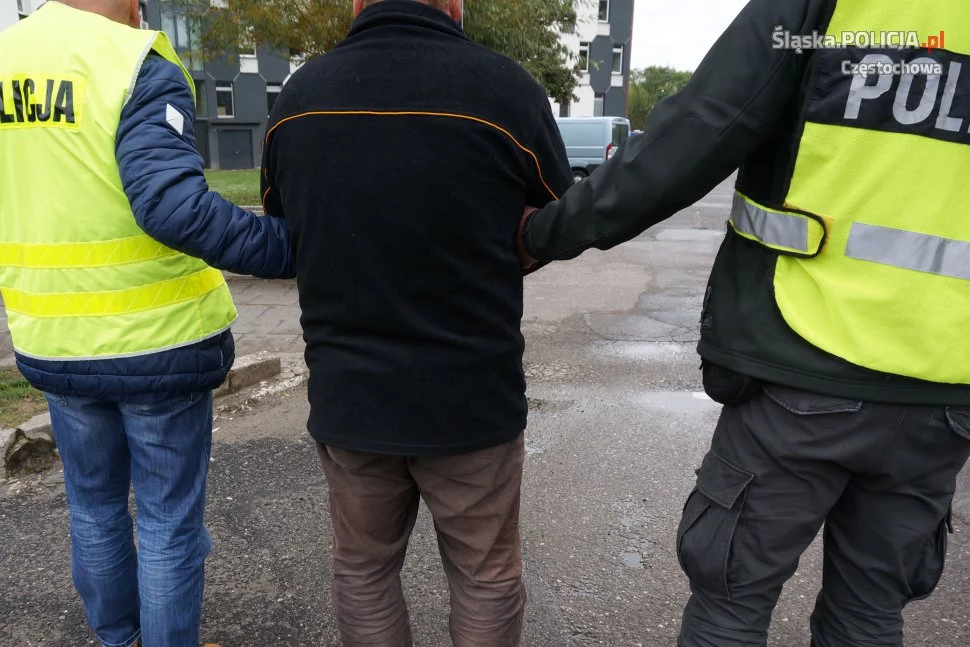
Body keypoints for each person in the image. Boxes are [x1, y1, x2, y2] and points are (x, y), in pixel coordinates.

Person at [516, 0, 970, 645]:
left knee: (732, 603)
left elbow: (700, 129)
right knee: (871, 613)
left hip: (807, 356)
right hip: (948, 387)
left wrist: (540, 235)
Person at [260, 0, 572, 643]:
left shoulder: (299, 98)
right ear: (453, 3)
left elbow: (284, 227)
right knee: (484, 573)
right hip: (471, 398)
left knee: (363, 570)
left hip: (352, 399)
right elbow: (555, 223)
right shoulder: (504, 89)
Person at [0, 1, 294, 646]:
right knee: (166, 521)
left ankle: (118, 640)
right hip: (157, 339)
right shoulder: (131, 59)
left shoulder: (6, 56)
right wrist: (286, 248)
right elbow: (170, 205)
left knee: (95, 508)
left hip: (51, 334)